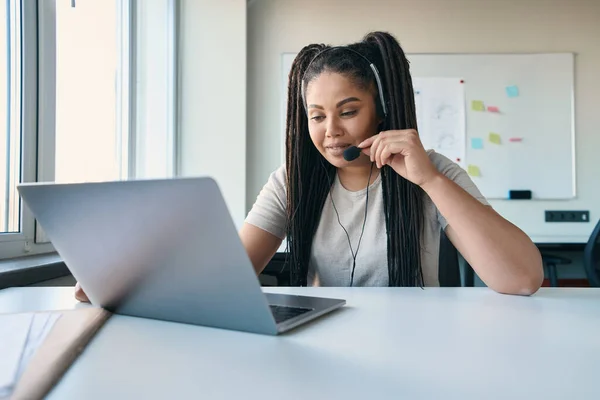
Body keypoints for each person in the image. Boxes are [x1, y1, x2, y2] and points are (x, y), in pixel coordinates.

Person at [75, 31, 543, 302]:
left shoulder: (433, 172)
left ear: (381, 110)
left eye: (348, 110)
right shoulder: (291, 181)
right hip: (320, 348)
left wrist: (429, 179)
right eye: (316, 116)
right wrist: (125, 279)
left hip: (416, 343)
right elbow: (229, 276)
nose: (331, 131)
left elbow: (521, 280)